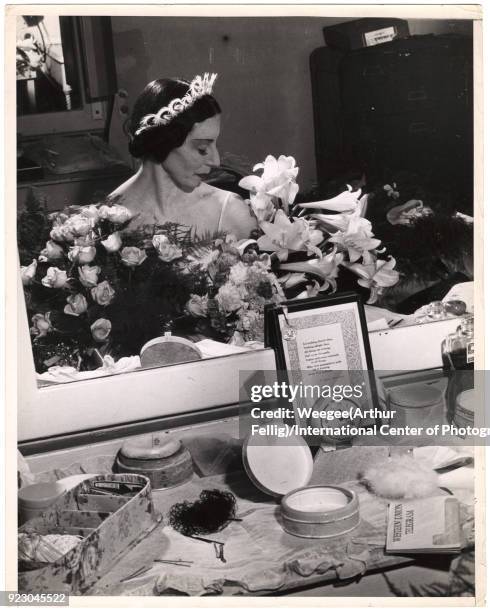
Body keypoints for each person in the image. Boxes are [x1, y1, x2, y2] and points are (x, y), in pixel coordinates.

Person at [111, 73, 256, 239]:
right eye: (202, 148)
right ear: (162, 141)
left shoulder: (230, 212)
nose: (215, 161)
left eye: (215, 144)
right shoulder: (105, 219)